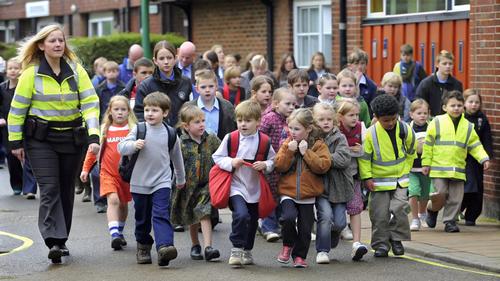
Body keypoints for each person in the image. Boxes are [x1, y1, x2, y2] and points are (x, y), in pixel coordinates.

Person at [7, 24, 100, 263]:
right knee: (49, 188)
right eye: (52, 41)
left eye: (61, 40)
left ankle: (62, 239)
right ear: (41, 45)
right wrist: (15, 142)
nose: (58, 44)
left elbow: (90, 103)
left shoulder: (77, 71)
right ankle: (52, 239)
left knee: (66, 189)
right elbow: (17, 110)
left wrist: (94, 136)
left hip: (71, 139)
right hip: (41, 141)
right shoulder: (31, 73)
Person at [118, 91, 185, 266]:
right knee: (142, 218)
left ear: (165, 113)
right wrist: (133, 145)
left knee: (161, 214)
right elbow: (121, 147)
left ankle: (164, 247)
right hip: (139, 183)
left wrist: (180, 178)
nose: (149, 114)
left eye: (154, 110)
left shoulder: (170, 133)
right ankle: (143, 246)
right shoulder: (139, 129)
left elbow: (177, 158)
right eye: (147, 110)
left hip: (161, 182)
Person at [212, 100, 276, 267]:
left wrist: (265, 165)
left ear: (258, 122)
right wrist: (231, 162)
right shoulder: (231, 138)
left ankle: (247, 250)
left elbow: (273, 160)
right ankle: (236, 249)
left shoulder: (264, 140)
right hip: (235, 185)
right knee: (241, 215)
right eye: (240, 120)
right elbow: (217, 157)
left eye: (248, 121)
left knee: (253, 221)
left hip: (254, 188)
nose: (243, 124)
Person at [423, 91, 490, 233]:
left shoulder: (468, 126)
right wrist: (426, 163)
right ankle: (431, 209)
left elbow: (475, 145)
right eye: (452, 105)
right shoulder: (437, 122)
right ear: (444, 107)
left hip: (458, 169)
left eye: (459, 105)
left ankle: (450, 221)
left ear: (463, 107)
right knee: (440, 194)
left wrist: (483, 158)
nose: (456, 108)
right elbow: (428, 144)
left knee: (456, 198)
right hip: (439, 168)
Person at [358, 94, 416, 258]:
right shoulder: (369, 135)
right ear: (376, 117)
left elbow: (411, 152)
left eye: (393, 119)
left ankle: (396, 239)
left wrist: (406, 169)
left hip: (400, 180)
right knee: (379, 215)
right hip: (378, 182)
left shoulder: (405, 129)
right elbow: (364, 159)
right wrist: (367, 178)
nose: (390, 123)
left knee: (400, 210)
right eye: (386, 120)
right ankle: (380, 245)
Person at [275, 108, 331, 268]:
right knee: (288, 218)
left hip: (308, 195)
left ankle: (299, 256)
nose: (292, 132)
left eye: (297, 129)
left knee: (306, 229)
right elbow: (280, 166)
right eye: (290, 128)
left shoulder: (318, 145)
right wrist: (289, 152)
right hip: (288, 192)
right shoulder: (287, 143)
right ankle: (287, 245)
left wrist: (306, 153)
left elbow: (323, 166)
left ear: (308, 129)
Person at [81, 95, 136, 249]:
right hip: (107, 173)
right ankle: (114, 235)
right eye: (116, 109)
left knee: (124, 205)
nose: (120, 113)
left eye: (123, 109)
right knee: (113, 201)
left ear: (128, 111)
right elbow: (92, 151)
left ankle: (120, 230)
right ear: (110, 111)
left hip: (125, 175)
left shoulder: (132, 129)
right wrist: (86, 169)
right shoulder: (105, 129)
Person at [171, 104, 221, 261]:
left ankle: (208, 247)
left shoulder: (210, 139)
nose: (201, 125)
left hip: (207, 185)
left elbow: (221, 154)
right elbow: (175, 164)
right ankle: (195, 245)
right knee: (192, 216)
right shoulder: (181, 143)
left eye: (203, 121)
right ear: (186, 126)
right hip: (187, 186)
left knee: (204, 212)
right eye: (197, 122)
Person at [312, 103, 353, 264]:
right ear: (315, 122)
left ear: (335, 120)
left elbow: (343, 159)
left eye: (329, 119)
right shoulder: (313, 138)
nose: (326, 122)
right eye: (321, 119)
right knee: (325, 217)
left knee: (340, 222)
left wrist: (322, 160)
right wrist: (325, 160)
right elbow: (310, 160)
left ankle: (332, 234)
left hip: (339, 186)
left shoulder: (340, 137)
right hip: (320, 186)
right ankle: (322, 250)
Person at [259, 87, 297, 242]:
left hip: (285, 163)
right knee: (270, 195)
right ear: (275, 104)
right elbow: (260, 136)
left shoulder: (291, 119)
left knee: (282, 193)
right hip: (270, 162)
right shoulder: (269, 118)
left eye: (293, 105)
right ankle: (268, 227)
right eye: (287, 104)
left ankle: (281, 224)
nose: (291, 107)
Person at [335, 99, 369, 260]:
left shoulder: (361, 127)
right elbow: (336, 153)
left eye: (356, 114)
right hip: (336, 177)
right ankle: (333, 236)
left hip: (354, 176)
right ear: (340, 116)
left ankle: (357, 243)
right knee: (337, 216)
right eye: (351, 115)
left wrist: (351, 151)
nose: (355, 118)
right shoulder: (335, 129)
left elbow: (364, 151)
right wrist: (351, 150)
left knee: (356, 208)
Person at [0, 57, 37, 199]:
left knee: (29, 156)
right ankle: (17, 184)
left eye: (16, 68)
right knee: (12, 156)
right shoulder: (2, 88)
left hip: (27, 126)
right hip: (8, 127)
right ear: (6, 70)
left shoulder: (26, 86)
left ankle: (30, 189)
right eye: (10, 68)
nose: (13, 71)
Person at [134, 40, 191, 126]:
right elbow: (139, 114)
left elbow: (191, 109)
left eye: (169, 58)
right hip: (155, 133)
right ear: (155, 61)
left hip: (181, 133)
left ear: (175, 58)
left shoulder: (185, 82)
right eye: (161, 58)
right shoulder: (146, 86)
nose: (166, 62)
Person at [460, 89, 493, 226]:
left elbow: (487, 139)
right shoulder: (460, 118)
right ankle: (458, 209)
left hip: (476, 159)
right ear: (464, 103)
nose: (474, 105)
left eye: (477, 102)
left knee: (477, 187)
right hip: (461, 157)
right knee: (465, 187)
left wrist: (487, 157)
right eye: (471, 102)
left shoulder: (482, 120)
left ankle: (471, 216)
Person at [188, 69, 236, 141]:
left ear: (216, 87)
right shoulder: (189, 107)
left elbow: (233, 130)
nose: (207, 90)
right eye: (203, 87)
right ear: (197, 89)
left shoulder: (227, 106)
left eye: (211, 86)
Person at [406, 99, 432, 231]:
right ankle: (415, 218)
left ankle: (422, 214)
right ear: (411, 114)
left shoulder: (432, 128)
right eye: (419, 113)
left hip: (426, 168)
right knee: (413, 191)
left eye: (425, 113)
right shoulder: (407, 128)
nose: (422, 115)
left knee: (425, 194)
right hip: (411, 168)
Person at [416, 50, 463, 117]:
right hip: (431, 120)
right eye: (444, 63)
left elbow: (459, 103)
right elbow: (419, 103)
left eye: (450, 64)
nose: (448, 66)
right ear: (437, 65)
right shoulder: (426, 84)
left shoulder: (457, 84)